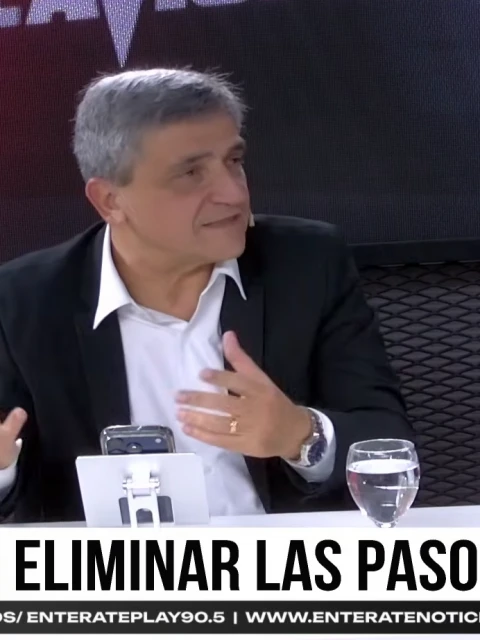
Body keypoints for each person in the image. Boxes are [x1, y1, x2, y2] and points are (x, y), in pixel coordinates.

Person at [0, 68, 412, 523]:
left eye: (234, 161)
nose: (234, 194)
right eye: (191, 173)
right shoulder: (22, 303)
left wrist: (300, 434)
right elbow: (16, 494)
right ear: (110, 201)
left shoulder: (307, 265)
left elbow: (388, 440)